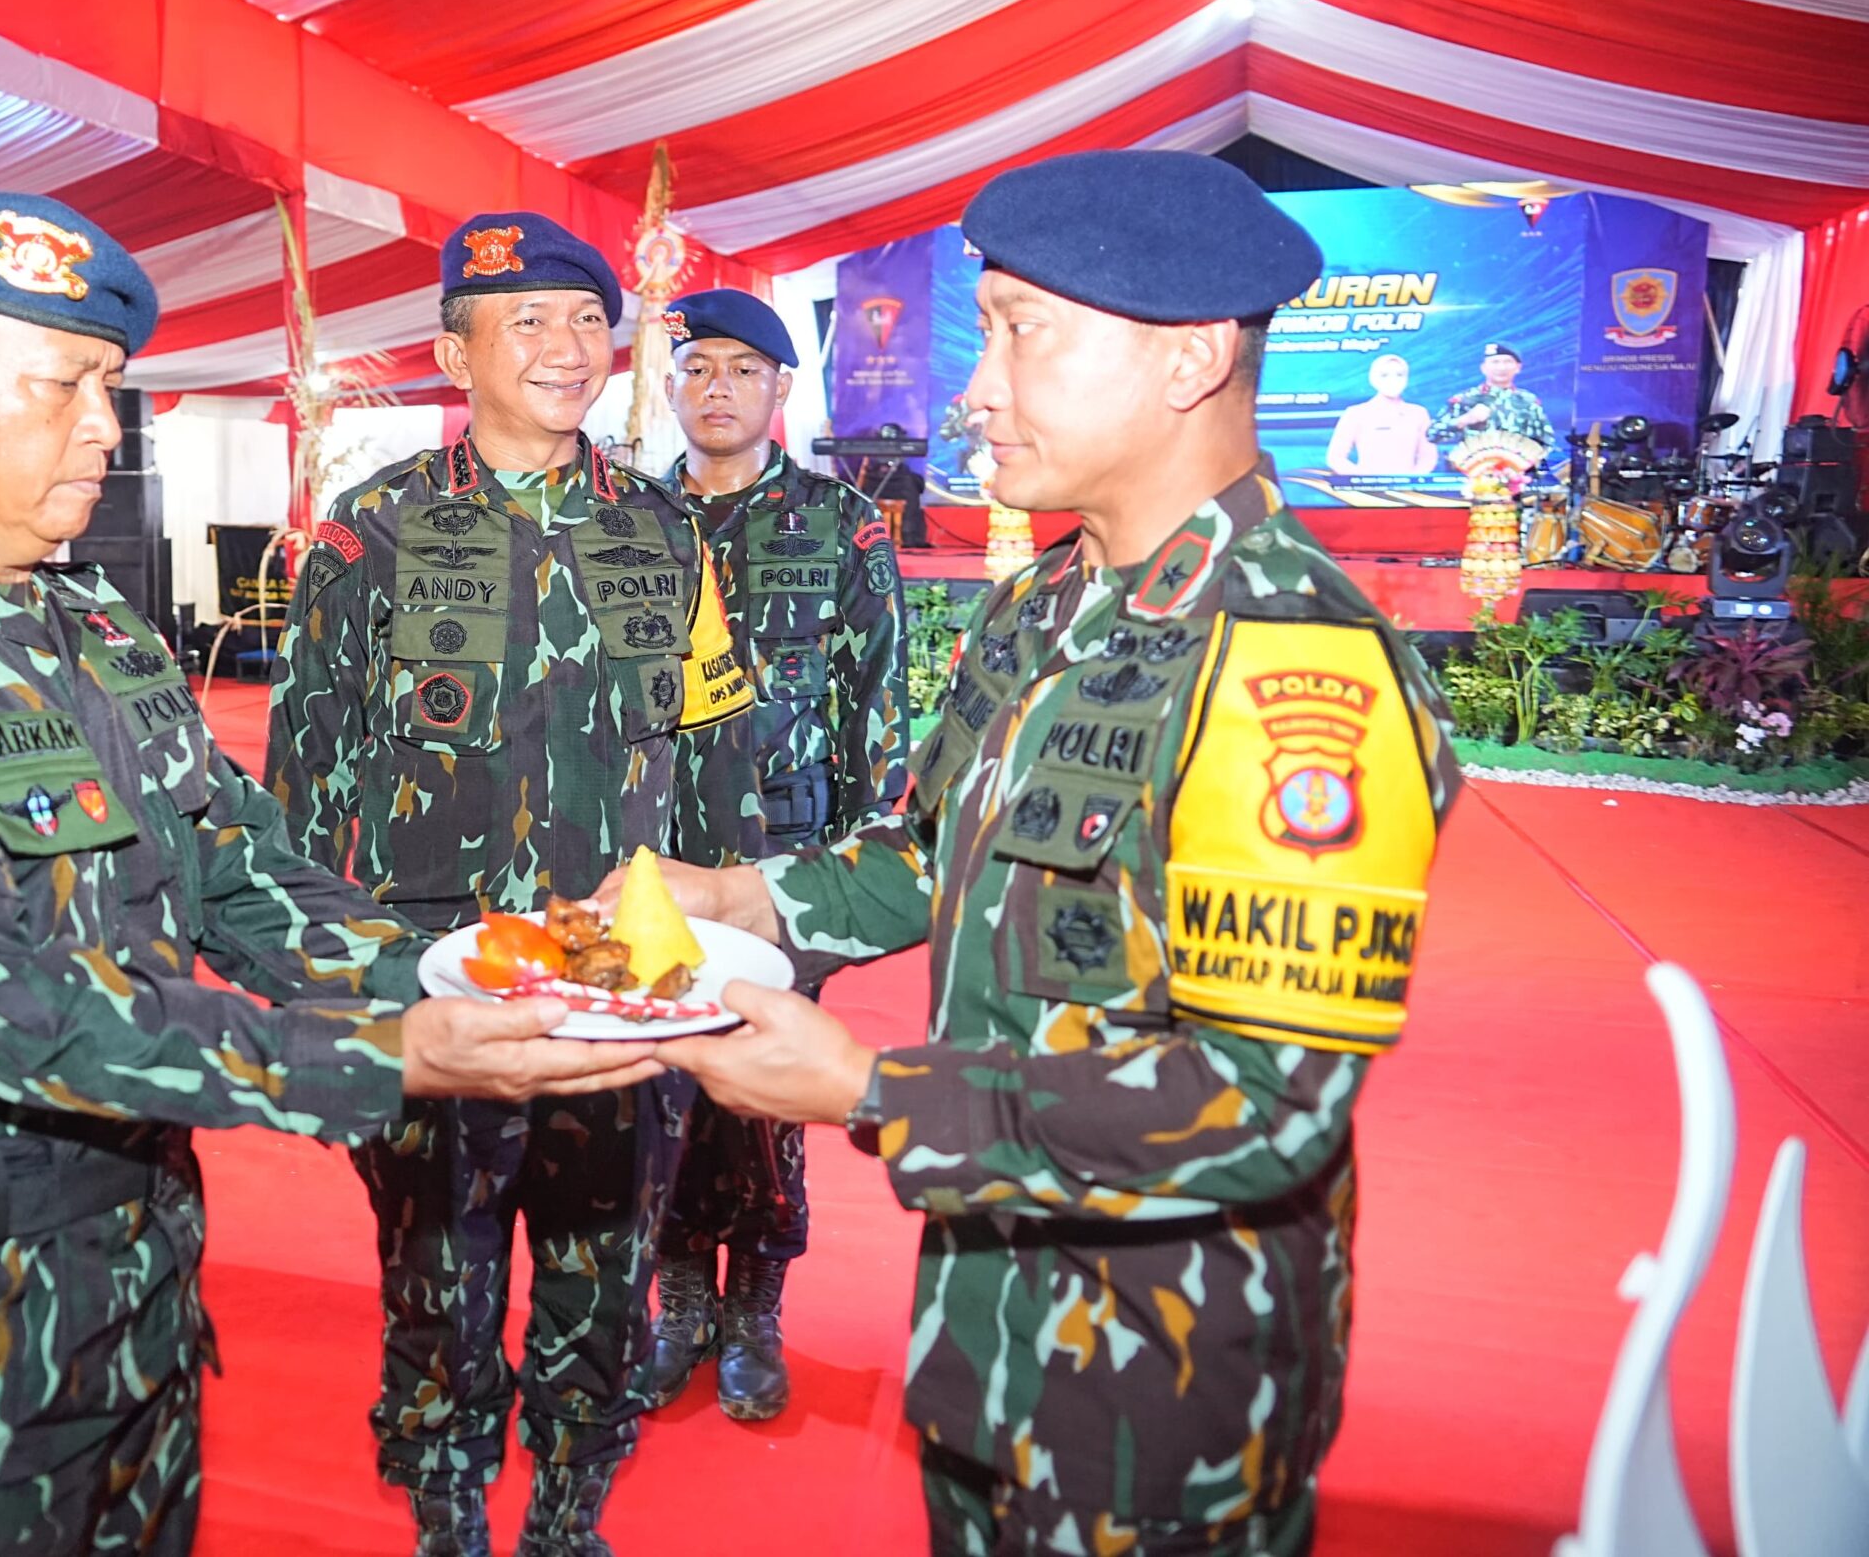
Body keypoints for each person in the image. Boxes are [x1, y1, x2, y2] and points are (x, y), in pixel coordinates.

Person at [0, 175, 662, 1557]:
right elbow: (15, 1009)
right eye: (63, 383)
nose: (103, 428)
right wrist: (399, 1052)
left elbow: (244, 872)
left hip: (134, 1303)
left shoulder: (103, 638)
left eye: (111, 386)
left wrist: (472, 970)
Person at [603, 151, 1461, 1555]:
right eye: (983, 329)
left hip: (1159, 1387)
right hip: (988, 1336)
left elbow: (1265, 1101)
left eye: (1020, 330)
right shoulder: (1044, 603)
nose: (976, 384)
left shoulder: (1293, 662)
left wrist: (873, 1082)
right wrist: (739, 890)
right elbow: (930, 847)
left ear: (1188, 358)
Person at [267, 212, 764, 1557]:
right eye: (527, 321)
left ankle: (564, 1511)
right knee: (438, 1262)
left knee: (603, 1272)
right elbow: (304, 782)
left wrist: (730, 955)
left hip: (620, 975)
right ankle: (445, 1506)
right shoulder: (373, 531)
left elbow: (715, 752)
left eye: (586, 320)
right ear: (454, 349)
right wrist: (332, 1001)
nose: (565, 347)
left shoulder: (665, 527)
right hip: (442, 974)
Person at [644, 287, 906, 1423]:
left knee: (760, 1093)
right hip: (646, 858)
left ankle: (753, 1309)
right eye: (698, 367)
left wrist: (849, 871)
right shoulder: (622, 525)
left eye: (743, 371)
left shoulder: (840, 526)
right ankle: (678, 1306)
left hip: (783, 857)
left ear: (780, 391)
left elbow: (875, 706)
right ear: (671, 384)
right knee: (654, 1082)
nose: (717, 389)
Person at [1324, 353, 1438, 476]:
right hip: (1367, 491)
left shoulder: (1418, 414)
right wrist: (1364, 479)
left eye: (1399, 375)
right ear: (1373, 379)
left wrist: (1411, 480)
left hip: (1407, 491)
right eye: (1384, 375)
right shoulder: (1356, 413)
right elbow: (1335, 458)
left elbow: (1428, 457)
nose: (1392, 380)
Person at [1431, 341, 1554, 448]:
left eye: (1508, 362)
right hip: (1474, 472)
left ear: (1518, 367)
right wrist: (1465, 420)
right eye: (1495, 362)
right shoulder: (1464, 399)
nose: (1501, 367)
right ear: (1483, 368)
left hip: (1518, 472)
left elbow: (1546, 442)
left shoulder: (1528, 402)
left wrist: (1530, 465)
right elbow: (1432, 435)